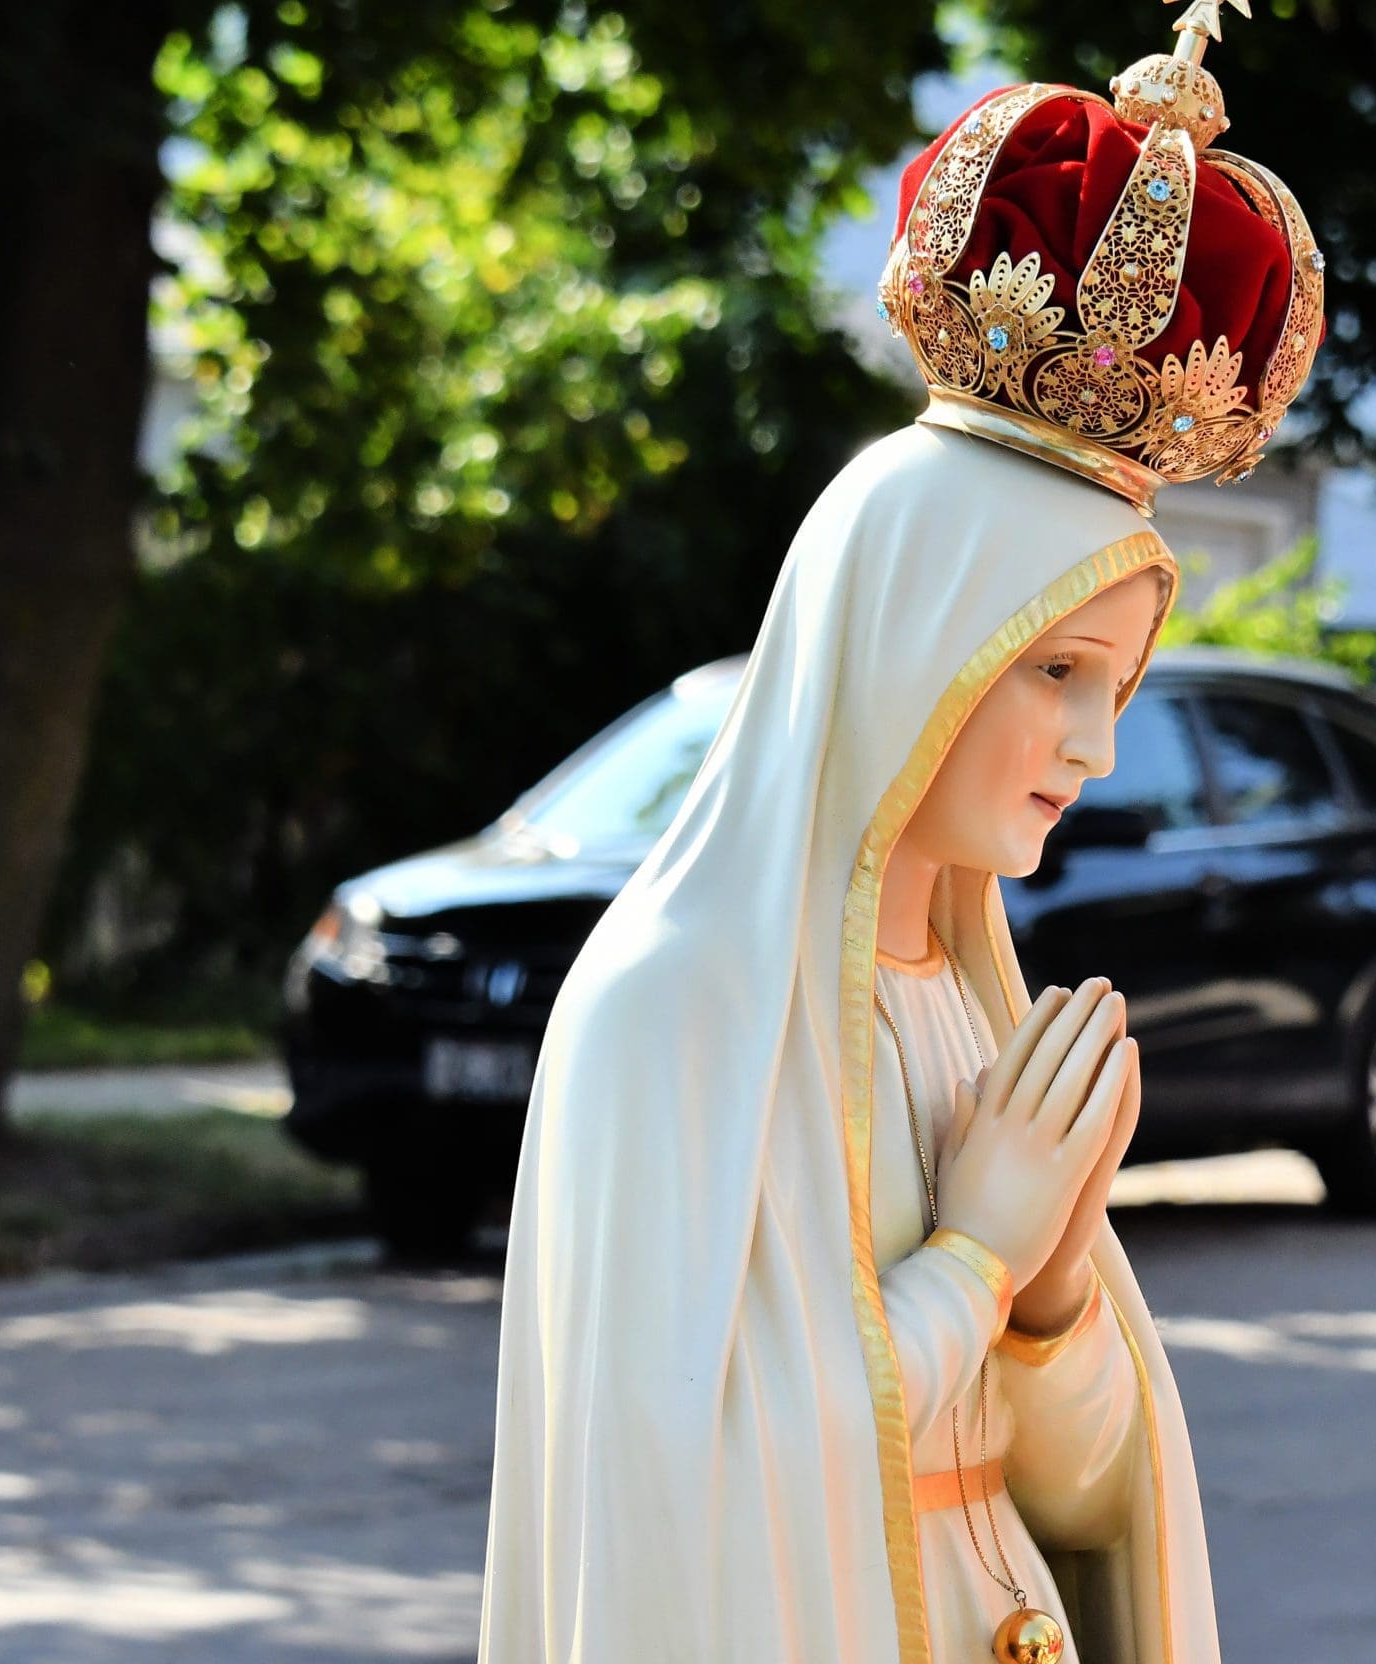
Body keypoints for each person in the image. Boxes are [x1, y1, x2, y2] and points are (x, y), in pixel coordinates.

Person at [476, 5, 1325, 1660]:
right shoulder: (670, 1009)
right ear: (904, 636)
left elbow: (1081, 1500)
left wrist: (1056, 1295)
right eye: (1057, 672)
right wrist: (980, 1257)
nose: (1093, 746)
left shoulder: (972, 1005)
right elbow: (680, 1517)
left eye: (1120, 686)